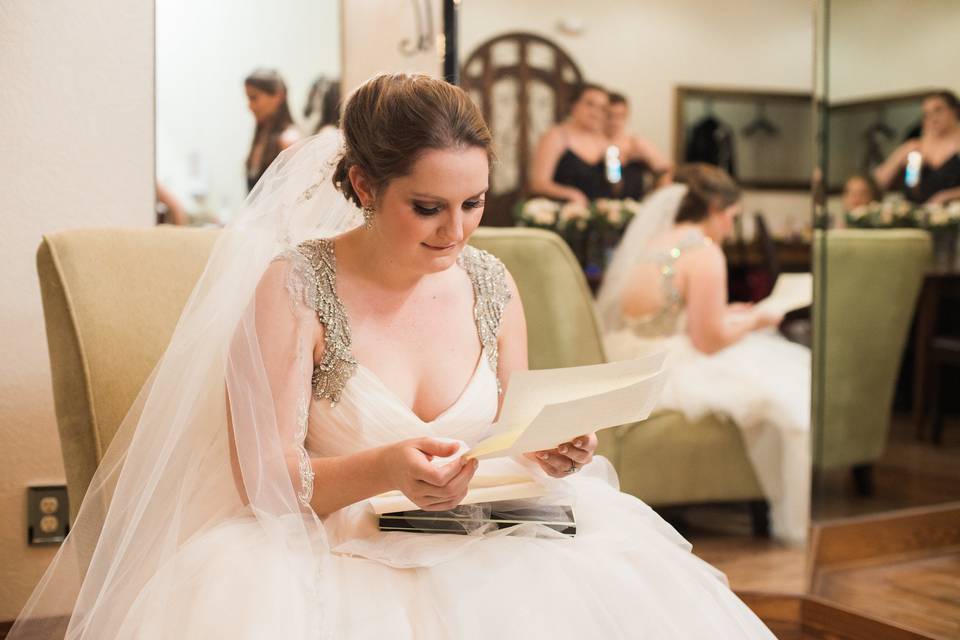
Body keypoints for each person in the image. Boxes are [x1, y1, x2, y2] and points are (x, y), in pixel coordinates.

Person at [10, 75, 775, 639]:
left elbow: (510, 430)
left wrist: (554, 449)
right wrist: (384, 468)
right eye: (428, 207)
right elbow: (266, 484)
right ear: (364, 186)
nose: (457, 232)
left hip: (492, 537)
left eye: (473, 204)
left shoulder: (491, 282)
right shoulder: (293, 287)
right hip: (326, 558)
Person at [597, 164, 810, 543]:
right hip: (673, 362)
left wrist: (731, 314)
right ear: (713, 208)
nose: (730, 228)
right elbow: (707, 341)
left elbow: (667, 314)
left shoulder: (653, 242)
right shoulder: (705, 252)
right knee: (794, 387)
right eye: (731, 217)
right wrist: (760, 318)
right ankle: (789, 515)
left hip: (632, 352)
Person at [529, 83, 616, 205]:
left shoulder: (605, 142)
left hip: (599, 213)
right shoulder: (556, 136)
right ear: (574, 105)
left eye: (602, 108)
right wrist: (571, 194)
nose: (596, 112)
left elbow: (615, 179)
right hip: (562, 213)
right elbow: (538, 183)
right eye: (590, 104)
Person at [874, 90, 960, 205]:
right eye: (927, 114)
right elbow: (879, 183)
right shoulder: (915, 146)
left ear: (954, 110)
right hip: (917, 214)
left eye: (938, 110)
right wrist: (900, 157)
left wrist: (947, 196)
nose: (933, 118)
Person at [606, 92, 672, 199]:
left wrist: (656, 197)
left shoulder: (636, 143)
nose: (615, 122)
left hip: (632, 204)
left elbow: (666, 170)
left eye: (620, 116)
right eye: (610, 116)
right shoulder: (594, 142)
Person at [245, 68, 301, 192]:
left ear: (278, 96)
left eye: (254, 98)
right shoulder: (261, 136)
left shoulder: (289, 140)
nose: (249, 105)